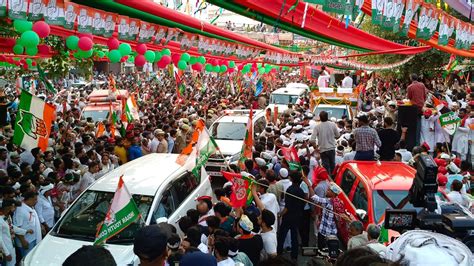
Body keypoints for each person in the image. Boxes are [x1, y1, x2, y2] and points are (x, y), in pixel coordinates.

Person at [277, 171, 305, 261]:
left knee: (282, 236)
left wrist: (280, 214)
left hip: (288, 217)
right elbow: (302, 205)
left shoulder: (290, 190)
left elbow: (287, 207)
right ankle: (294, 256)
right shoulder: (301, 191)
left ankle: (279, 254)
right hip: (297, 217)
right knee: (294, 237)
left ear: (291, 179)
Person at [13, 191, 42, 257]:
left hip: (33, 238)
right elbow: (17, 227)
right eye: (35, 199)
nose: (36, 201)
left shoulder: (30, 206)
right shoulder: (20, 210)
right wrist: (23, 241)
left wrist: (40, 226)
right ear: (29, 199)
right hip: (27, 241)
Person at [311, 111, 339, 175]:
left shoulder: (317, 127)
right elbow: (337, 135)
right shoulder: (333, 124)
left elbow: (312, 140)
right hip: (331, 148)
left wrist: (316, 148)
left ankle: (328, 180)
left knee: (326, 167)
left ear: (320, 118)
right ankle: (333, 180)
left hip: (323, 150)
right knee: (332, 166)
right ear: (327, 117)